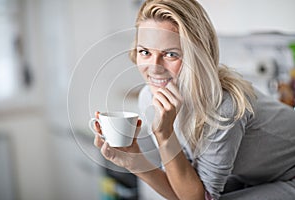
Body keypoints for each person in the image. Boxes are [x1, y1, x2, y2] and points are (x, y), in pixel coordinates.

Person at [93, 0, 295, 199]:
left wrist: (164, 135)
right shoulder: (150, 98)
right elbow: (183, 190)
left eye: (171, 54)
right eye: (145, 52)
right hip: (256, 177)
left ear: (196, 55)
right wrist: (133, 161)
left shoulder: (223, 106)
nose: (154, 66)